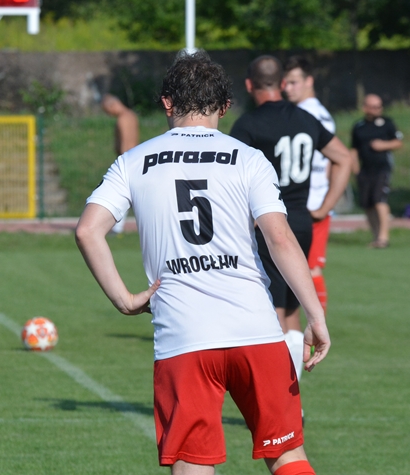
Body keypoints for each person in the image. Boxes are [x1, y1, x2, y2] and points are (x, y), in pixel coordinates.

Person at [76, 51, 330, 475]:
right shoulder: (248, 158)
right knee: (287, 456)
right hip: (256, 329)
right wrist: (316, 316)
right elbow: (280, 238)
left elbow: (88, 230)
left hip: (184, 336)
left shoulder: (134, 161)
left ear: (167, 103)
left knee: (193, 463)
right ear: (225, 107)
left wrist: (123, 299)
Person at [230, 56, 351, 383]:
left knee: (271, 313)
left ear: (248, 85)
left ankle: (278, 400)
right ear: (283, 84)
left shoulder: (247, 124)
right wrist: (324, 208)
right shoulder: (305, 118)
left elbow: (231, 177)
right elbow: (343, 158)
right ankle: (291, 400)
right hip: (301, 221)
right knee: (293, 312)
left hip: (268, 225)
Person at [282, 56, 336, 314]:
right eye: (286, 83)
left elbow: (338, 159)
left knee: (310, 267)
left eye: (294, 82)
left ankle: (318, 327)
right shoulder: (315, 114)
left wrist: (325, 204)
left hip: (312, 206)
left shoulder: (310, 115)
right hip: (304, 203)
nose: (288, 88)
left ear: (309, 81)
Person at [351, 94, 403, 248]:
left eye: (379, 106)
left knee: (379, 200)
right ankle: (375, 236)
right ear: (365, 108)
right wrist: (355, 169)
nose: (376, 110)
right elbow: (353, 149)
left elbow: (397, 143)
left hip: (382, 168)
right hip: (365, 170)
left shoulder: (387, 123)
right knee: (368, 204)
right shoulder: (358, 126)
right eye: (373, 107)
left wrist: (383, 145)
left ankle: (383, 238)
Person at [101, 94, 140, 234]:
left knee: (121, 193)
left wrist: (122, 159)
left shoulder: (122, 119)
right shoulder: (131, 115)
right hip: (134, 158)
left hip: (126, 159)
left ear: (113, 105)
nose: (108, 114)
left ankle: (116, 227)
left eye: (107, 111)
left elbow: (125, 141)